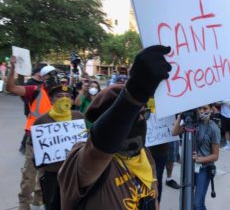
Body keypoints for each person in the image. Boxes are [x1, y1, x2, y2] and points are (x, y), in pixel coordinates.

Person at [58, 45, 172, 210]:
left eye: (143, 114)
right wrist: (136, 92)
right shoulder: (81, 159)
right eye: (132, 115)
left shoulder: (143, 154)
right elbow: (98, 151)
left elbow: (153, 197)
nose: (141, 120)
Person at [7, 57, 58, 210]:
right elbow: (11, 87)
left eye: (54, 75)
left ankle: (38, 201)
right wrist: (12, 68)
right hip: (34, 137)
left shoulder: (61, 94)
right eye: (49, 75)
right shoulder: (34, 90)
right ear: (42, 77)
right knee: (30, 174)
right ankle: (24, 205)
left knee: (46, 174)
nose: (52, 78)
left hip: (52, 139)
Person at [32, 85, 84, 210]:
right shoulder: (41, 121)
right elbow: (35, 149)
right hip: (52, 175)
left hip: (75, 173)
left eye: (67, 96)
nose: (64, 99)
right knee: (53, 205)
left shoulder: (78, 116)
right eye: (59, 96)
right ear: (51, 100)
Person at [172, 104, 221, 210]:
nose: (202, 111)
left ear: (211, 110)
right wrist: (180, 116)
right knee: (186, 198)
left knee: (197, 204)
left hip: (204, 168)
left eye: (205, 109)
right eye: (200, 108)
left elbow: (215, 156)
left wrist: (200, 159)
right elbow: (174, 132)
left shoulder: (214, 129)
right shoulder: (192, 123)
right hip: (189, 167)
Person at [19, 67, 44, 154]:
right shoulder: (30, 82)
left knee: (37, 128)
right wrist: (30, 106)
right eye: (42, 72)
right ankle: (23, 145)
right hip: (31, 111)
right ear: (37, 72)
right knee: (31, 128)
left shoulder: (43, 82)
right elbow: (24, 96)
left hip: (41, 111)